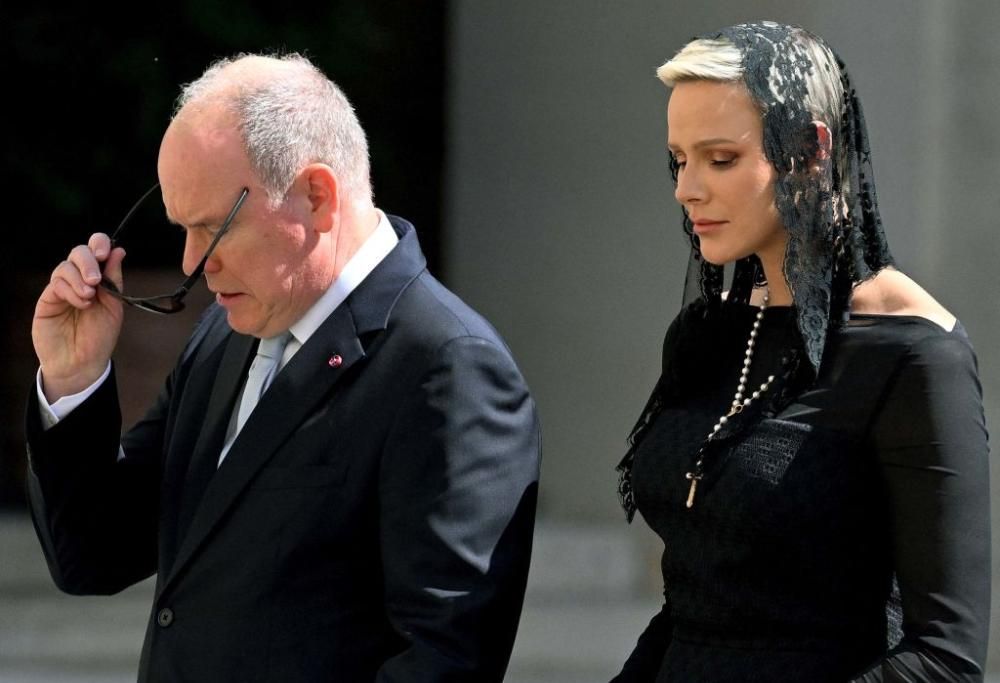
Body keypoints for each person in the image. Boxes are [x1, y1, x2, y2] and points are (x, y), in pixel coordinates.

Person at [26, 53, 540, 682]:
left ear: (317, 196)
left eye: (213, 229)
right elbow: (94, 556)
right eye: (182, 228)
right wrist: (73, 379)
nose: (192, 263)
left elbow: (444, 660)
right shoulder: (225, 333)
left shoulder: (448, 366)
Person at [612, 22, 990, 682]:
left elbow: (944, 658)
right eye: (679, 159)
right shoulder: (707, 333)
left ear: (810, 151)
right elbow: (693, 607)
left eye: (719, 159)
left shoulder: (911, 353)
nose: (686, 188)